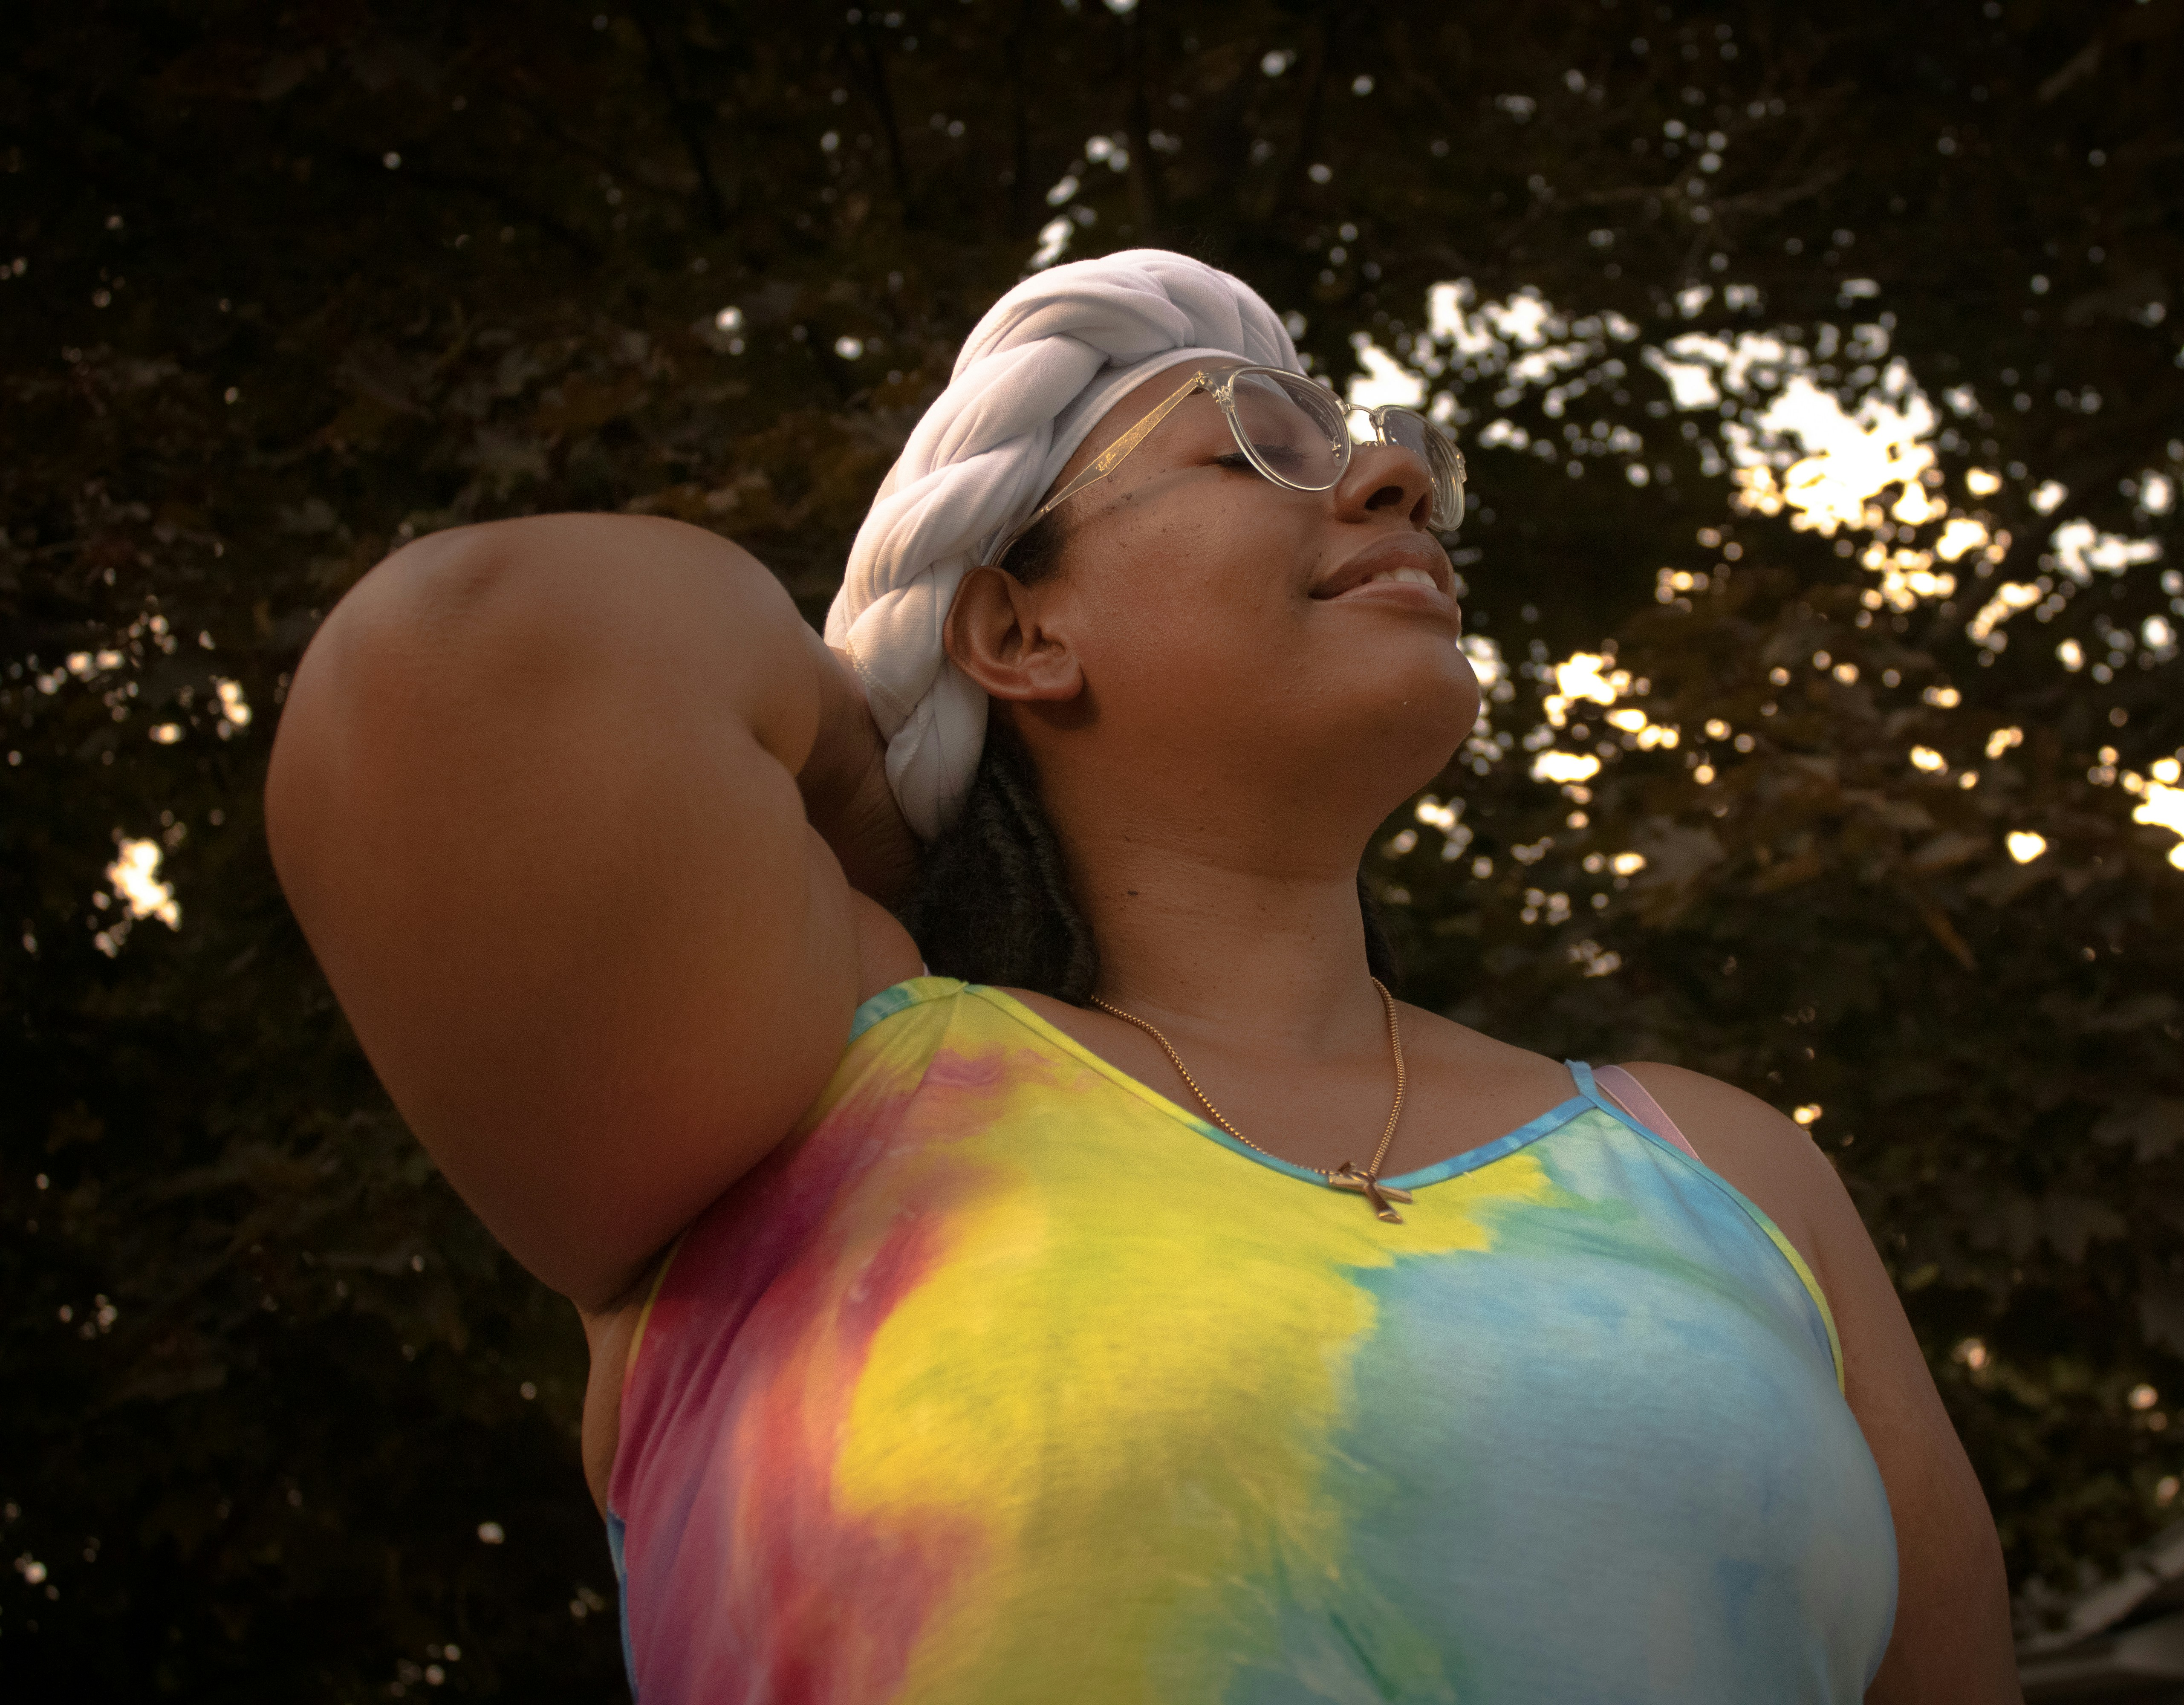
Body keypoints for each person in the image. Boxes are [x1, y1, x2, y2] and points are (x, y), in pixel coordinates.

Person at [268, 250, 2022, 1702]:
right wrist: (884, 784)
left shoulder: (1729, 1170)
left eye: (1391, 451)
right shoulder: (805, 1088)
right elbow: (476, 656)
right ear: (1022, 631)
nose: (1397, 478)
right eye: (1250, 443)